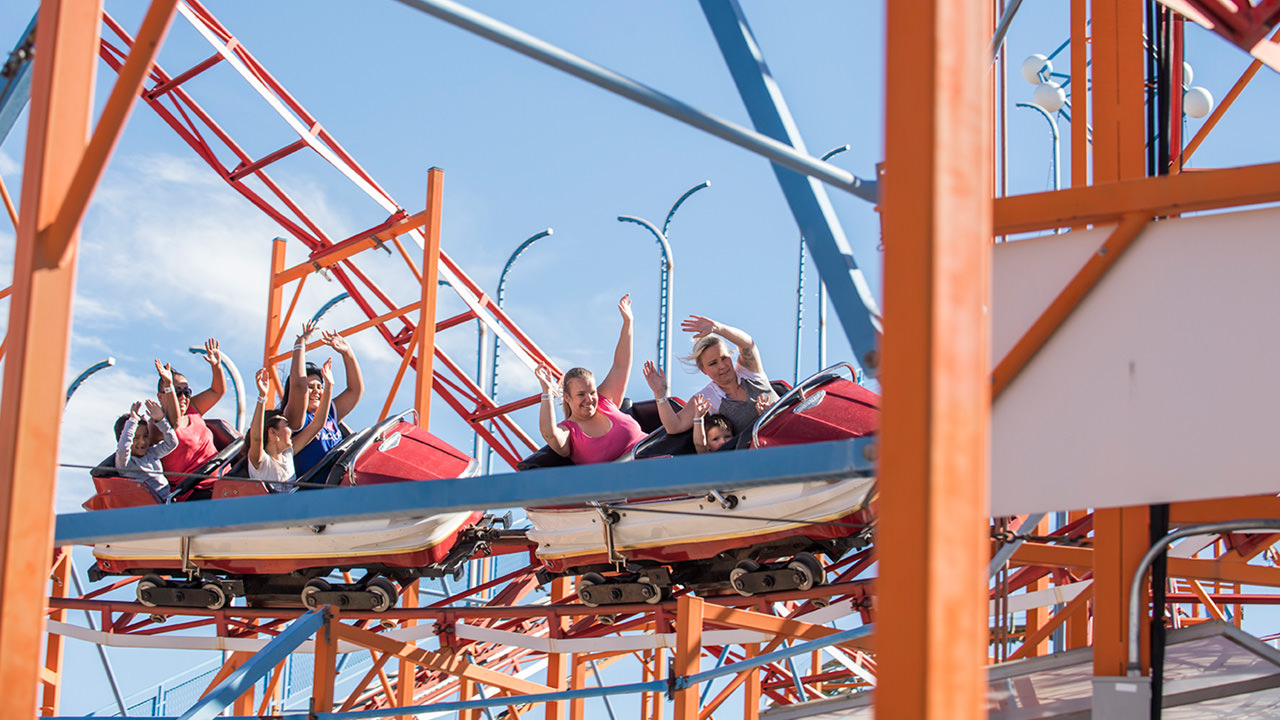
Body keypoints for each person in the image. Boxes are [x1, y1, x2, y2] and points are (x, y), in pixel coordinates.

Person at [535, 294, 646, 464]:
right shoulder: (569, 431)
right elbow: (549, 433)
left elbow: (621, 365)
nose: (589, 399)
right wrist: (547, 392)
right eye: (581, 394)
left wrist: (628, 323)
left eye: (592, 392)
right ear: (567, 397)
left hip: (655, 457)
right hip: (627, 483)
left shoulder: (605, 402)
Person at [642, 315, 778, 440]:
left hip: (792, 422)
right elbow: (675, 426)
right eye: (713, 363)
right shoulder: (708, 397)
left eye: (724, 358)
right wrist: (659, 393)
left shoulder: (748, 371)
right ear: (703, 370)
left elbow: (748, 344)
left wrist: (718, 328)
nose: (722, 366)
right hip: (767, 446)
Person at [281, 320, 365, 476]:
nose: (316, 391)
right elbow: (298, 386)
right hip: (311, 491)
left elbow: (355, 390)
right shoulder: (296, 419)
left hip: (338, 484)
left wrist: (348, 353)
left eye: (320, 387)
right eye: (310, 387)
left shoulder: (329, 414)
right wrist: (300, 345)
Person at [156, 338, 225, 500]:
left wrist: (216, 366)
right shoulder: (157, 423)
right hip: (194, 491)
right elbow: (174, 421)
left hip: (222, 479)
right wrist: (167, 384)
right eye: (176, 391)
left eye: (186, 391)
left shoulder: (193, 408)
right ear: (161, 396)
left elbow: (217, 391)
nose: (183, 396)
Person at [248, 363, 333, 493]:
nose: (292, 430)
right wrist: (262, 398)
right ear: (273, 433)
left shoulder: (287, 454)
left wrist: (329, 387)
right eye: (287, 426)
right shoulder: (261, 461)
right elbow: (256, 437)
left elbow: (317, 424)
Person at [114, 399, 179, 501]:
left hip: (166, 501)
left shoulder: (151, 453)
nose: (142, 442)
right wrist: (133, 420)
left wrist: (161, 420)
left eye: (145, 436)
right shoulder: (125, 463)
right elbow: (123, 448)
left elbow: (172, 443)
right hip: (148, 504)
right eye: (136, 438)